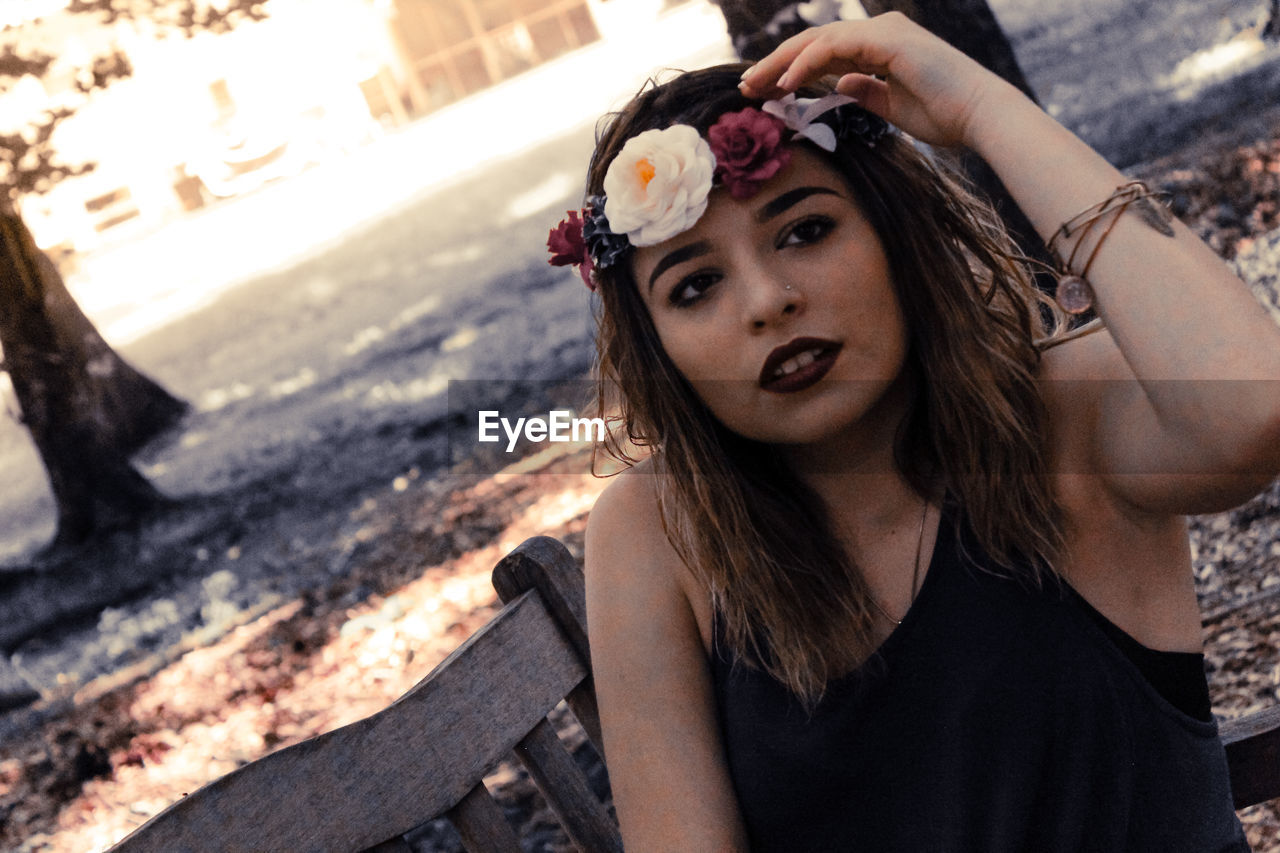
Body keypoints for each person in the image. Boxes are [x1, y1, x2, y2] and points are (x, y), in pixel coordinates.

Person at [545, 13, 1280, 850]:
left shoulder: (1063, 415)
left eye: (806, 230)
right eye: (694, 285)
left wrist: (978, 110)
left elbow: (1253, 411)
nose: (765, 300)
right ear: (660, 350)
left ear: (894, 233)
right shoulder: (661, 531)